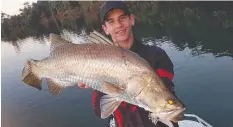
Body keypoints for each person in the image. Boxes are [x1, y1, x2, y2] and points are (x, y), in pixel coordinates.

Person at [78, 1, 179, 127]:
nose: (118, 25)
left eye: (122, 18)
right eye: (111, 21)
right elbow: (100, 111)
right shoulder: (97, 62)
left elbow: (165, 92)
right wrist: (95, 82)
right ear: (105, 29)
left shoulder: (157, 55)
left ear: (131, 20)